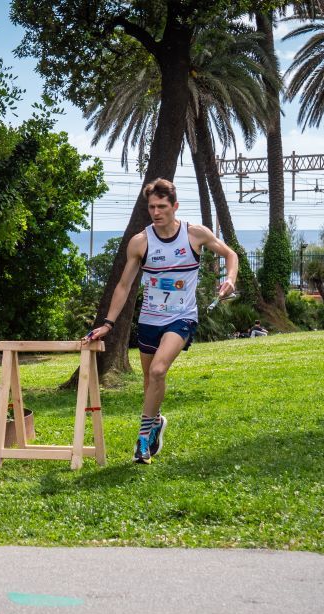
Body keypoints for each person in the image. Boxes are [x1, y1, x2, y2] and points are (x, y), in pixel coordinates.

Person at [84, 178, 238, 464]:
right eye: (152, 207)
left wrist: (229, 279)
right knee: (150, 380)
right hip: (149, 321)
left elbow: (231, 254)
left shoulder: (195, 234)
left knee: (157, 371)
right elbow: (124, 285)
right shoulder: (141, 242)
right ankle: (156, 424)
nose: (156, 212)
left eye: (162, 207)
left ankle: (142, 440)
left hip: (181, 318)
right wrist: (108, 323)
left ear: (175, 206)